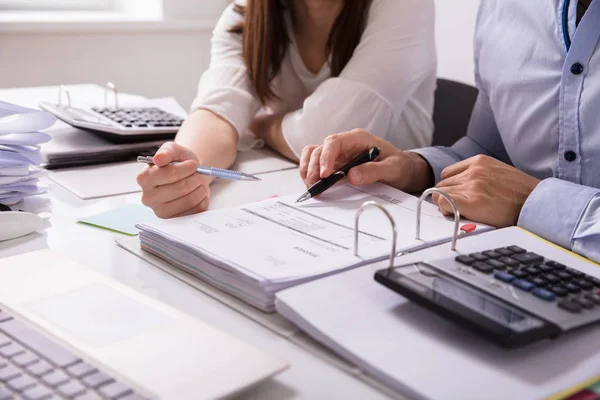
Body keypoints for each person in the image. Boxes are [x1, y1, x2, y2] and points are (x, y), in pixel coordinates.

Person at [300, 0, 600, 263]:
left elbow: (517, 190)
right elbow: (490, 150)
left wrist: (533, 203)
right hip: (509, 259)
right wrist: (414, 169)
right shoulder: (502, 7)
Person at [137, 0, 436, 218]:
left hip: (398, 209)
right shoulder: (245, 16)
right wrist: (186, 172)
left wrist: (260, 125)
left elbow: (326, 133)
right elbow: (217, 112)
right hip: (304, 202)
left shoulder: (404, 6)